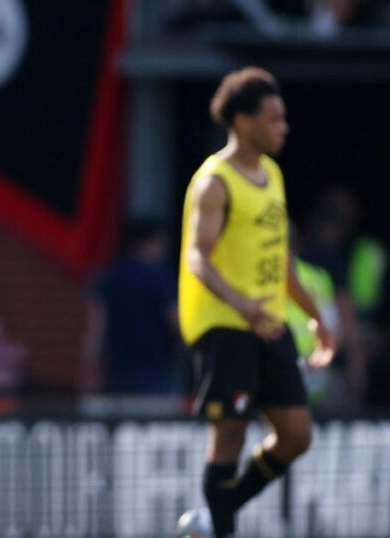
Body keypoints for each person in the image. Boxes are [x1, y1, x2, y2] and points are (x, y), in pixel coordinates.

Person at [176, 67, 336, 537]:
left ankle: (214, 516)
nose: (282, 128)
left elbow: (279, 258)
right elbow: (197, 259)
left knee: (296, 435)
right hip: (224, 323)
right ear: (243, 122)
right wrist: (242, 304)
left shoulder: (272, 175)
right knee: (230, 433)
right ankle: (222, 530)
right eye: (273, 119)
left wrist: (315, 318)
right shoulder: (216, 181)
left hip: (267, 322)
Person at [82, 219, 179, 394]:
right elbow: (175, 321)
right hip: (156, 371)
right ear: (150, 243)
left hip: (117, 372)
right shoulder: (159, 277)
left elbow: (95, 328)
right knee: (158, 421)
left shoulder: (108, 277)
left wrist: (90, 366)